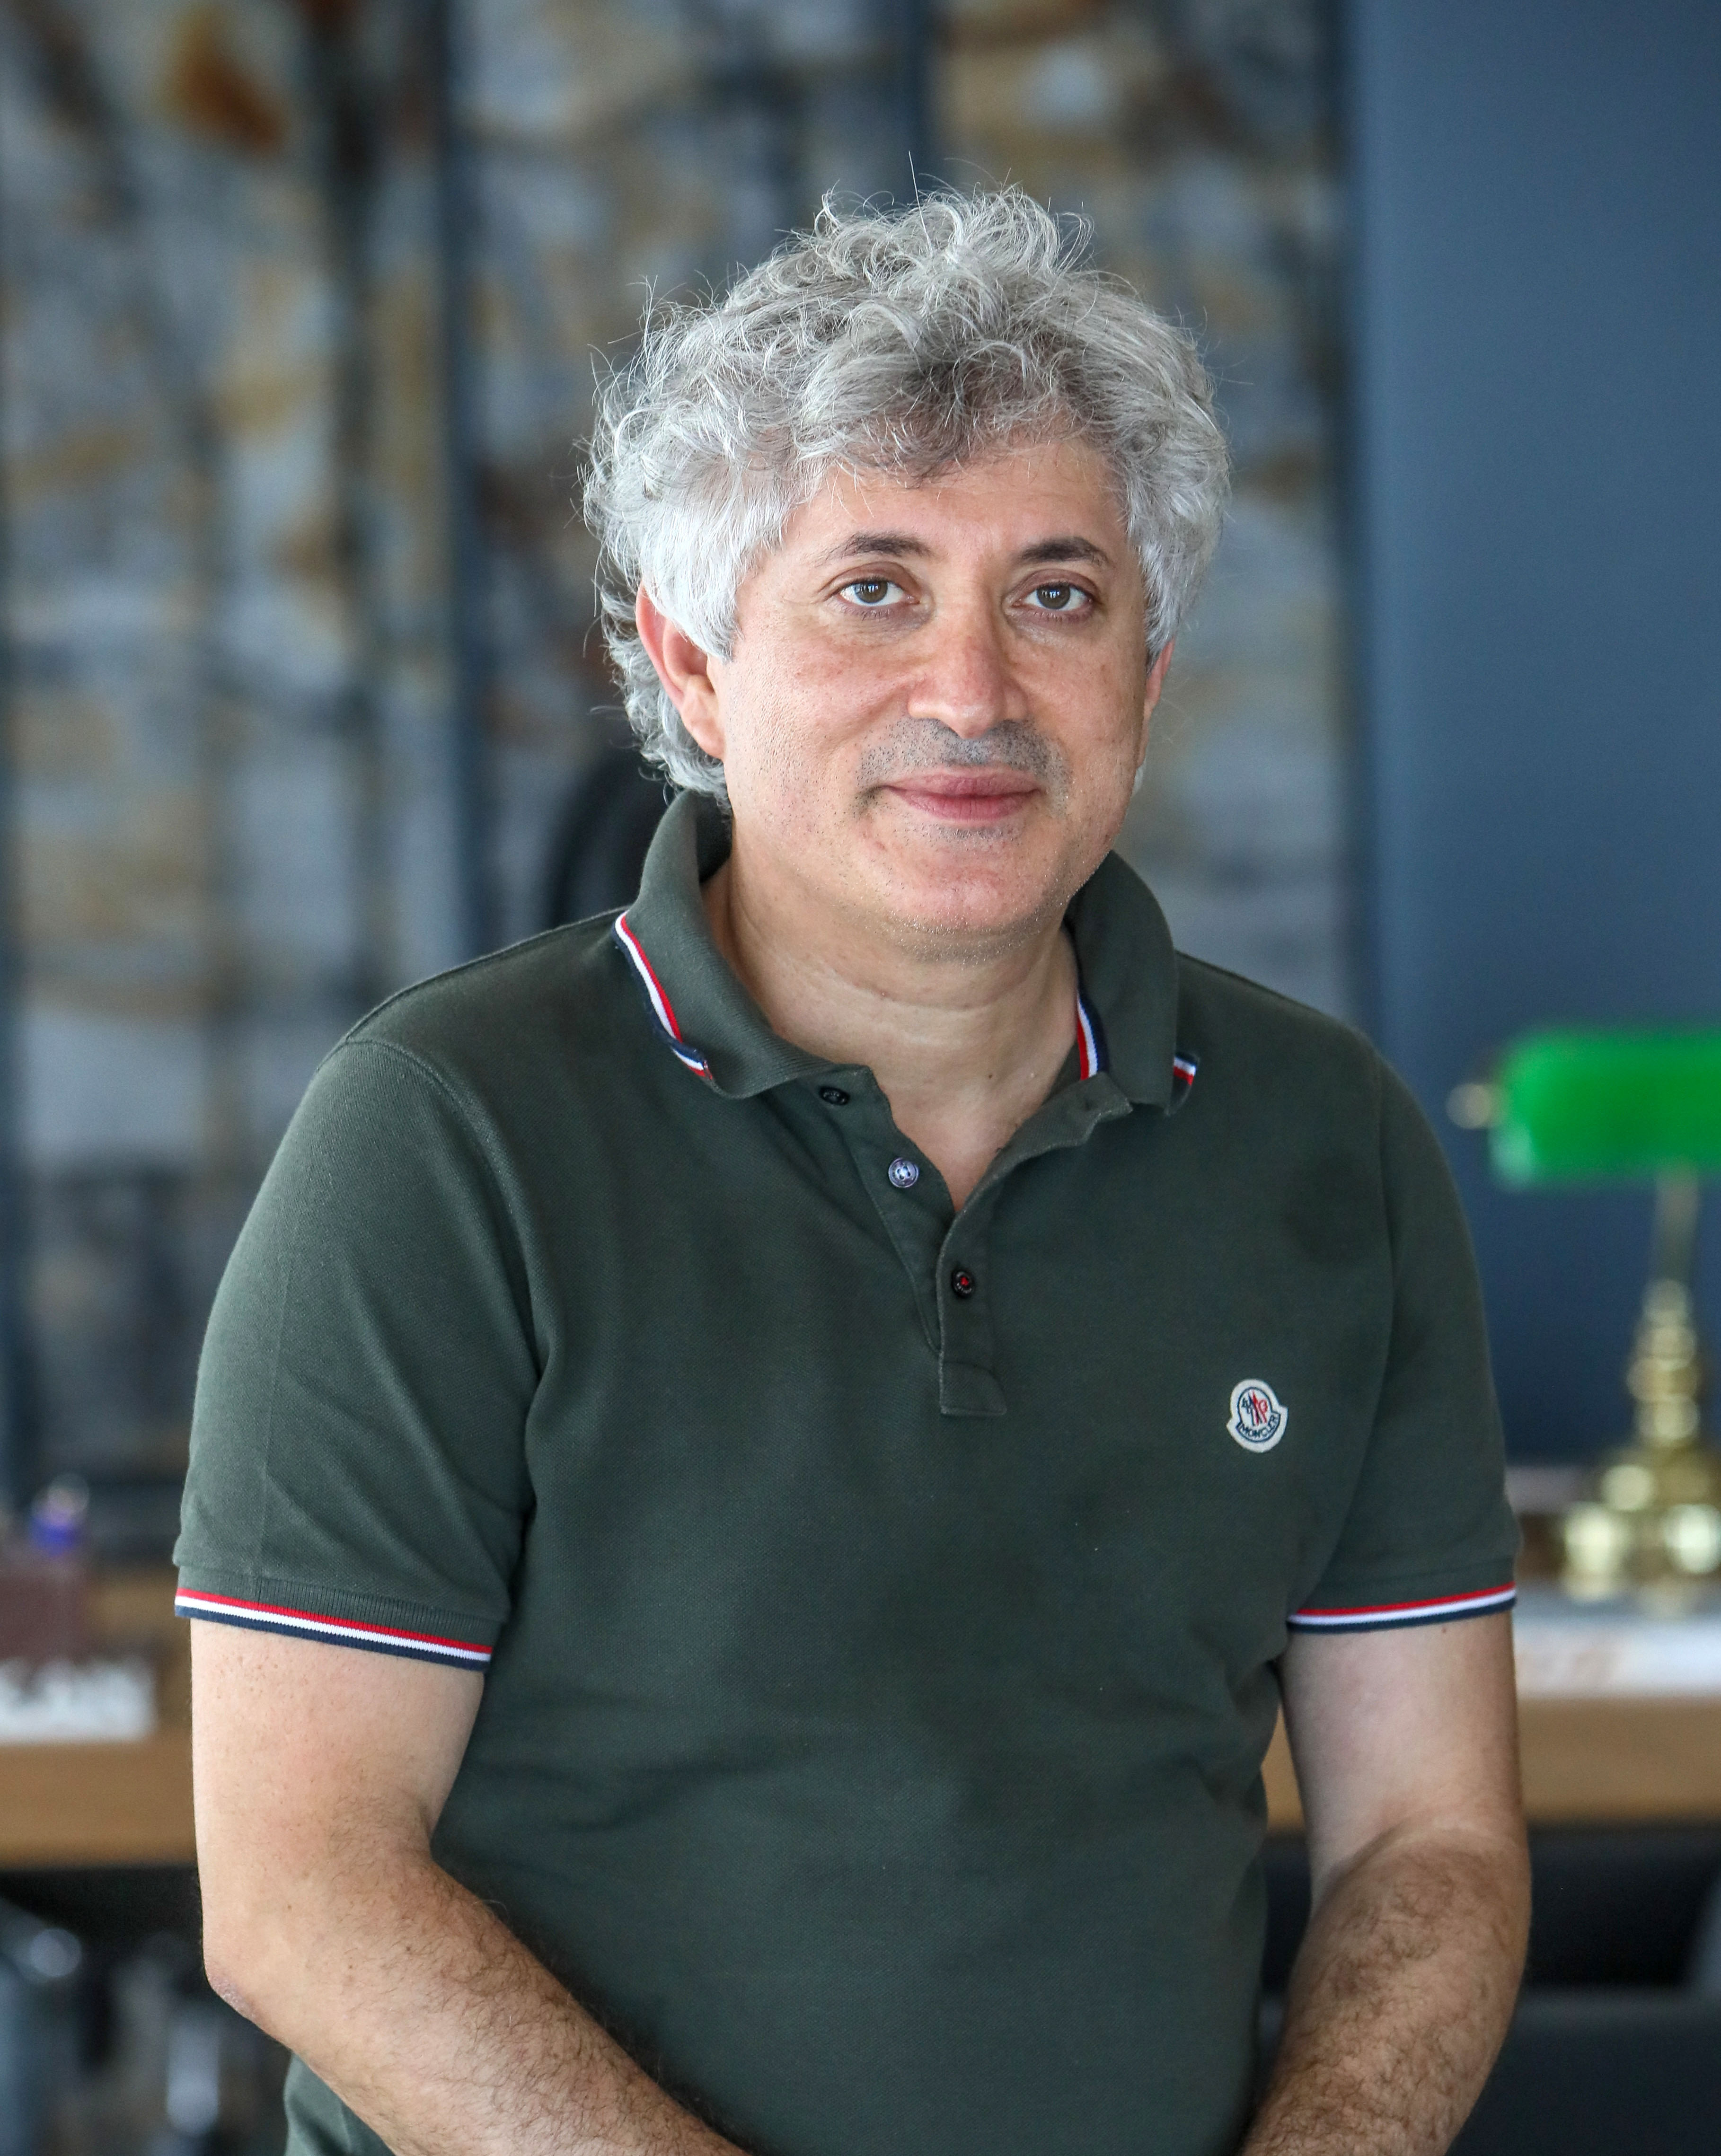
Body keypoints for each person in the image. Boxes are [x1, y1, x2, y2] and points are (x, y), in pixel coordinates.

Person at [180, 189, 1527, 2156]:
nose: (972, 692)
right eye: (875, 589)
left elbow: (1430, 1841)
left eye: (1056, 595)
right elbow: (304, 1891)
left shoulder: (1333, 1143)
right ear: (695, 668)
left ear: (1147, 676)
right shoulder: (443, 1132)